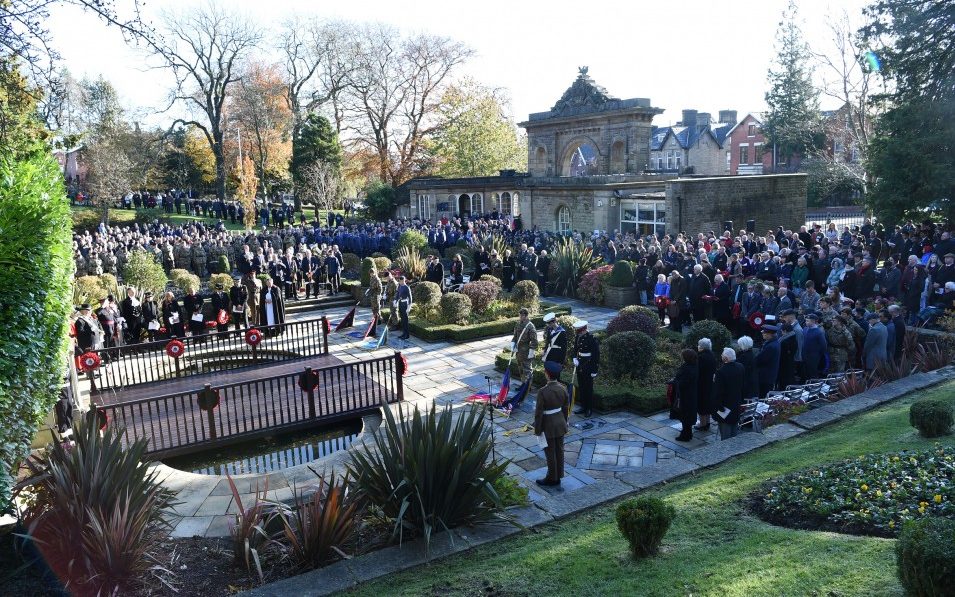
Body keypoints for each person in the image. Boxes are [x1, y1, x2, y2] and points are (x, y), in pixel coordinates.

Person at [534, 361, 570, 487]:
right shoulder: (563, 388)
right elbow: (566, 408)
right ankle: (558, 476)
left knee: (550, 452)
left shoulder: (543, 391)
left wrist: (537, 429)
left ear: (547, 374)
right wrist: (565, 422)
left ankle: (551, 478)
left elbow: (539, 413)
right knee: (559, 451)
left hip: (548, 425)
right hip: (560, 423)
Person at [713, 347, 745, 440]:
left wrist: (718, 407)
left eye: (722, 355)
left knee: (725, 434)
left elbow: (718, 392)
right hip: (736, 403)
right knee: (734, 431)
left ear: (725, 358)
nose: (721, 356)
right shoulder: (741, 367)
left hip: (725, 407)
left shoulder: (721, 372)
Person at [572, 321, 599, 417]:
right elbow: (575, 348)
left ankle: (589, 408)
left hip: (588, 365)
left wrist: (594, 370)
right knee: (582, 387)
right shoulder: (578, 337)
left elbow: (596, 355)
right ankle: (583, 406)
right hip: (580, 364)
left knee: (588, 388)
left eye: (580, 331)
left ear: (584, 329)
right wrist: (574, 357)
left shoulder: (592, 338)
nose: (579, 333)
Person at [673, 349, 699, 442]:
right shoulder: (695, 365)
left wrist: (675, 381)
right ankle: (688, 433)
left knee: (685, 415)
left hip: (686, 395)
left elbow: (683, 383)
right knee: (688, 415)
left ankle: (685, 435)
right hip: (692, 394)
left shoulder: (687, 368)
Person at [510, 308, 539, 386]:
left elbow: (534, 341)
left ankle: (528, 387)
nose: (519, 317)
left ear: (525, 316)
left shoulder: (530, 326)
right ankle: (523, 384)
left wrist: (531, 351)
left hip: (526, 352)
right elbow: (515, 336)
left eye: (521, 315)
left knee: (527, 370)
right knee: (521, 370)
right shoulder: (518, 324)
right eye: (519, 315)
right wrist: (513, 343)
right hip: (519, 351)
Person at [695, 338, 717, 431]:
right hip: (710, 383)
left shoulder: (701, 357)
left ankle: (702, 424)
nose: (698, 347)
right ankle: (707, 423)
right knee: (707, 404)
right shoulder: (712, 355)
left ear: (702, 347)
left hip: (702, 384)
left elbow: (697, 371)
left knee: (701, 405)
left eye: (699, 345)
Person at [755, 325, 781, 398]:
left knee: (762, 397)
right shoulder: (773, 343)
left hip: (765, 376)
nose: (763, 334)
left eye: (764, 333)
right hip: (768, 375)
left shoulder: (771, 346)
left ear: (770, 334)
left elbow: (759, 360)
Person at [801, 313, 828, 379]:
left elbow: (824, 346)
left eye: (808, 321)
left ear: (813, 321)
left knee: (813, 374)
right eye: (806, 320)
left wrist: (817, 354)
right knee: (805, 374)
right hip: (804, 355)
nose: (806, 322)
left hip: (814, 357)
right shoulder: (805, 329)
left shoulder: (819, 332)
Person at [736, 335, 758, 400]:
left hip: (747, 385)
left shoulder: (744, 357)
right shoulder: (751, 354)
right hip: (751, 383)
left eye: (739, 345)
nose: (738, 346)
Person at [368, 267, 383, 337]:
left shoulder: (377, 279)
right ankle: (374, 318)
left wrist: (378, 295)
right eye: (370, 273)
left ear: (374, 273)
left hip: (376, 296)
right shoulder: (371, 278)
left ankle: (379, 320)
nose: (371, 274)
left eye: (372, 273)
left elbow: (380, 288)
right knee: (373, 308)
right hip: (372, 295)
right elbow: (371, 287)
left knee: (377, 308)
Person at [396, 276, 413, 340]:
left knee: (405, 320)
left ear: (404, 280)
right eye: (400, 281)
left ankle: (407, 335)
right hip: (400, 303)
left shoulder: (407, 287)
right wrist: (396, 300)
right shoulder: (399, 286)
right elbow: (398, 294)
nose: (401, 282)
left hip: (405, 304)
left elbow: (410, 298)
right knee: (402, 320)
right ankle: (403, 333)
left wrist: (409, 307)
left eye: (402, 281)